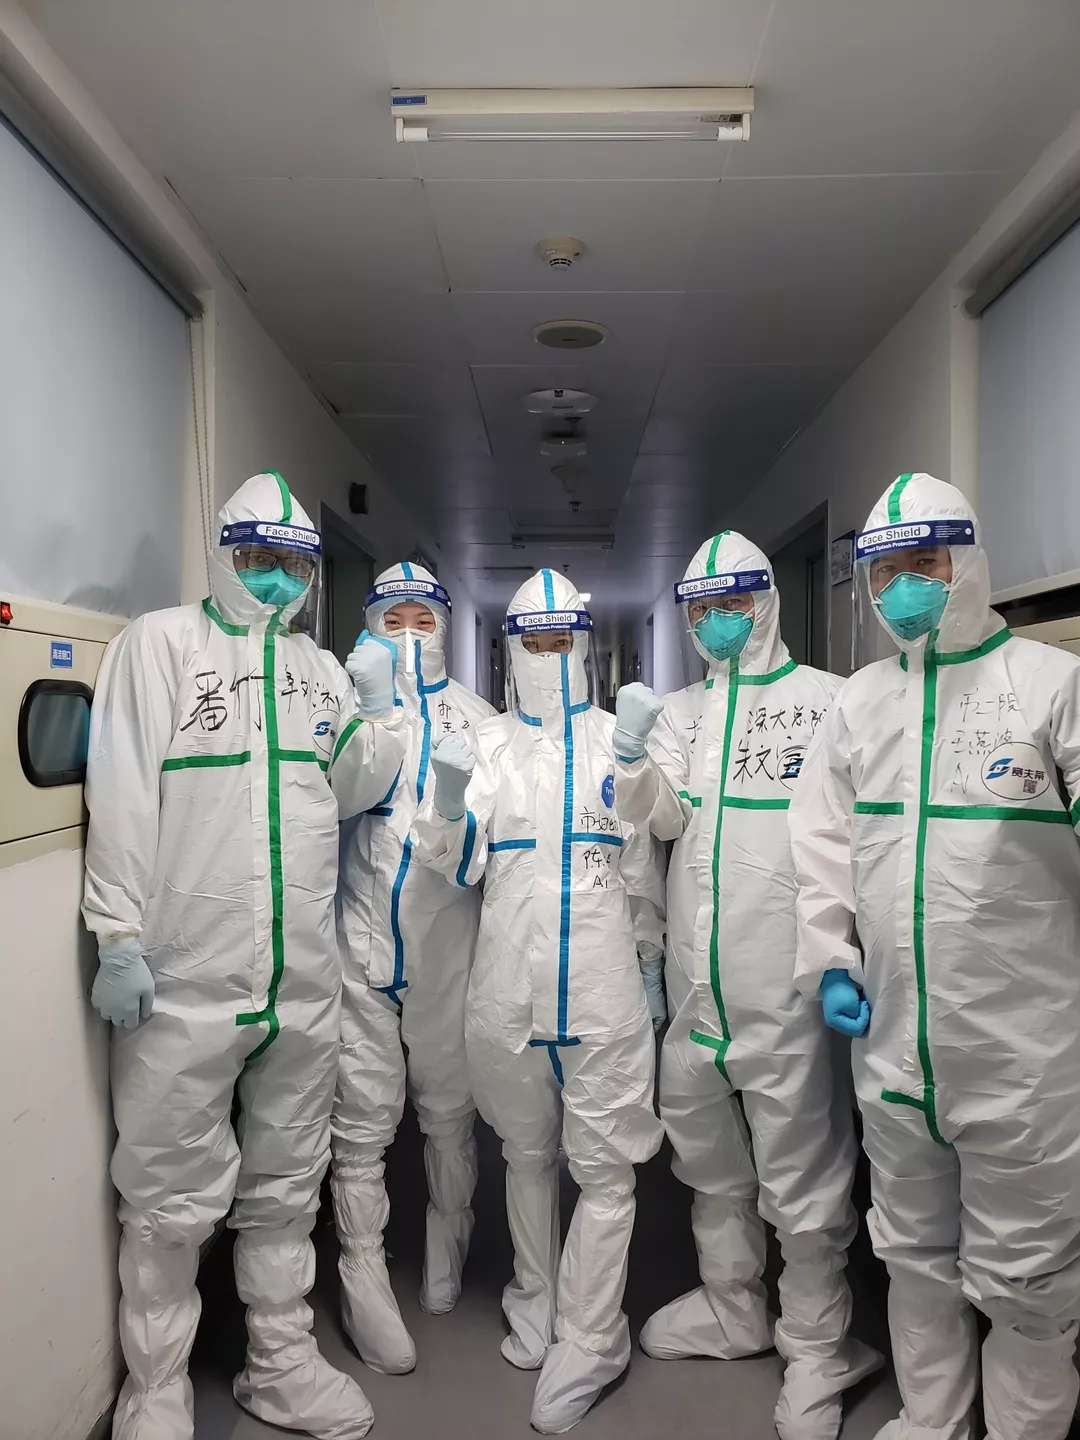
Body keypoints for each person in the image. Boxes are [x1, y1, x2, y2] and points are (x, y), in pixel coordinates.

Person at [83, 471, 405, 1440]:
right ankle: (156, 1387)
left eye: (293, 565)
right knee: (166, 1191)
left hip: (300, 982)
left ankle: (281, 1361)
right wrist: (116, 934)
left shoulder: (317, 670)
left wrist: (378, 717)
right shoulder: (160, 646)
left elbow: (350, 790)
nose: (276, 580)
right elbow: (122, 794)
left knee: (285, 1185)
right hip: (184, 980)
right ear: (224, 554)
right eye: (258, 558)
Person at [791, 472, 1080, 1440]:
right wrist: (830, 957)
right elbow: (821, 844)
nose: (904, 586)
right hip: (893, 1044)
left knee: (1030, 1280)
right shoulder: (859, 703)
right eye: (884, 570)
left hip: (1022, 1056)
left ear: (968, 562)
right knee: (911, 1255)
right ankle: (932, 1422)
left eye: (925, 561)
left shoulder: (1050, 686)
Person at [611, 531, 880, 1440]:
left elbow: (850, 844)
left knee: (802, 1169)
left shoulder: (829, 702)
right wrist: (634, 759)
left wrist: (841, 956)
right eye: (702, 609)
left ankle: (816, 1347)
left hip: (787, 986)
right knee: (709, 1158)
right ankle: (733, 1308)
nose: (717, 622)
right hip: (700, 989)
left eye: (733, 603)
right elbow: (665, 821)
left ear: (766, 601)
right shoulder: (681, 712)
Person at [410, 569, 665, 1434]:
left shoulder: (614, 738)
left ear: (584, 646)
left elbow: (647, 856)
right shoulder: (487, 746)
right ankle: (535, 1300)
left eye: (564, 641)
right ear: (512, 650)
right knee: (524, 1154)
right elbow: (457, 862)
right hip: (509, 993)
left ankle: (593, 1336)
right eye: (535, 642)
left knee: (606, 1169)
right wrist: (447, 803)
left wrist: (651, 964)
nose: (551, 657)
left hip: (602, 994)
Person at [330, 562, 495, 1375]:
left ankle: (447, 1236)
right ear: (368, 625)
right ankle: (362, 1270)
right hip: (360, 940)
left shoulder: (477, 717)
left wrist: (455, 811)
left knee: (447, 1104)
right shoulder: (344, 698)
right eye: (390, 619)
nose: (406, 634)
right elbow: (333, 802)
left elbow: (479, 854)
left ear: (444, 625)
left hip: (445, 942)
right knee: (360, 1119)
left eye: (421, 619)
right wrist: (371, 718)